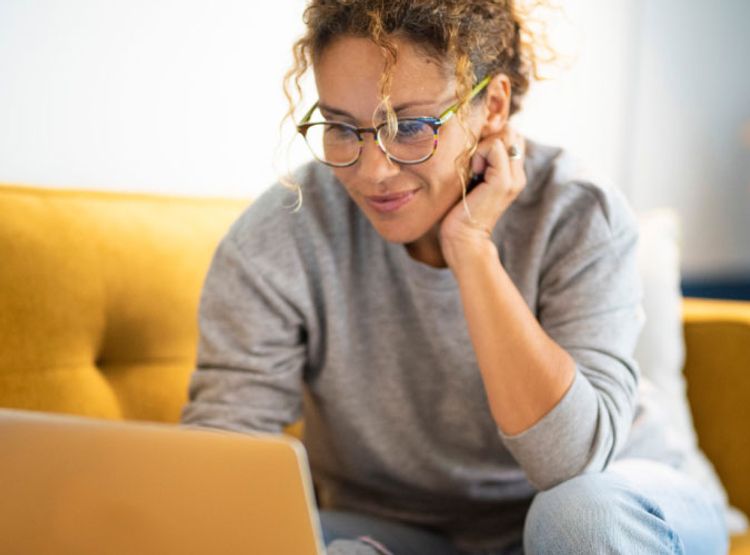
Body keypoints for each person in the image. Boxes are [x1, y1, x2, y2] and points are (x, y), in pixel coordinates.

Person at [181, 1, 729, 553]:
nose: (373, 171)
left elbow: (571, 463)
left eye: (410, 127)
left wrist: (471, 248)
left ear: (493, 107)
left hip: (615, 503)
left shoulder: (577, 212)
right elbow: (222, 458)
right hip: (401, 529)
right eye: (342, 128)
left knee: (579, 519)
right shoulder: (282, 234)